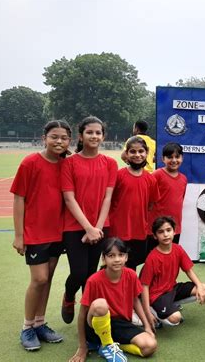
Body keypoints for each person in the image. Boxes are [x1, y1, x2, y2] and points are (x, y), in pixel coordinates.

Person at [11, 120, 71, 351]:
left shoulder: (67, 164)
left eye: (64, 138)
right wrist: (19, 235)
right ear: (44, 137)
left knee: (48, 279)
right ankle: (27, 327)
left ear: (69, 140)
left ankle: (40, 323)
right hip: (35, 232)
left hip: (58, 233)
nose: (59, 141)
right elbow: (19, 199)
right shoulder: (30, 163)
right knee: (39, 279)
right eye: (54, 137)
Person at [61, 116, 118, 324]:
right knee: (78, 273)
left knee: (92, 276)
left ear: (103, 136)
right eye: (89, 132)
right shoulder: (69, 163)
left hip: (101, 227)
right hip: (74, 227)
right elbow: (69, 198)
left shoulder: (110, 163)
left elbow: (108, 197)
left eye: (98, 132)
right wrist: (88, 228)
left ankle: (89, 323)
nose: (94, 136)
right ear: (81, 136)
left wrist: (97, 228)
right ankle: (68, 297)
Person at [69, 238, 157, 362]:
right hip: (95, 327)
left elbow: (135, 301)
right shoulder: (93, 280)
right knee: (100, 305)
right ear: (104, 259)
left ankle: (107, 346)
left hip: (121, 324)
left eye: (121, 255)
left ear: (126, 257)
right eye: (111, 255)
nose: (117, 259)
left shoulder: (131, 275)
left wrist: (147, 326)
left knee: (150, 346)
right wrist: (82, 347)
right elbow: (82, 314)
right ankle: (106, 344)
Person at [140, 216, 205, 328]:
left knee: (204, 288)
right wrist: (147, 312)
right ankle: (153, 310)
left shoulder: (178, 249)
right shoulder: (152, 258)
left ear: (174, 231)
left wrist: (199, 286)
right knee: (176, 319)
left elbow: (188, 270)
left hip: (172, 289)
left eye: (168, 230)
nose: (166, 234)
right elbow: (144, 286)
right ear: (155, 236)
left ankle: (173, 304)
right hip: (156, 295)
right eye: (161, 232)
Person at [109, 136, 160, 269]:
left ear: (147, 153)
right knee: (115, 265)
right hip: (118, 230)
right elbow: (108, 200)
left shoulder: (151, 179)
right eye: (133, 151)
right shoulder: (118, 175)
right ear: (126, 154)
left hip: (139, 231)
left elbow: (151, 204)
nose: (137, 155)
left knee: (132, 265)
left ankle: (131, 290)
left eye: (141, 151)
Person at [146, 142, 187, 255]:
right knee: (153, 258)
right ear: (163, 159)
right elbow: (147, 200)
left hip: (175, 228)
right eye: (170, 157)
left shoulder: (183, 179)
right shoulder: (156, 175)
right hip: (157, 227)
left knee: (170, 257)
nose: (174, 160)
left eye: (177, 157)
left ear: (182, 158)